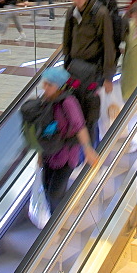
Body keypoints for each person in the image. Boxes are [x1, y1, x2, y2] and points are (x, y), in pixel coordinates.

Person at [21, 66, 98, 213]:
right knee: (46, 187)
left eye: (50, 84)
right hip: (49, 153)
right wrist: (39, 153)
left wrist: (88, 150)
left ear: (59, 86)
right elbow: (41, 130)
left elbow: (79, 126)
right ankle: (55, 217)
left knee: (54, 192)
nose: (45, 87)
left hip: (66, 154)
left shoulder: (68, 102)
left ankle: (58, 218)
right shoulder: (44, 101)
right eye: (45, 83)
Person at [62, 0, 116, 146]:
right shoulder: (72, 12)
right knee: (73, 111)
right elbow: (67, 40)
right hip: (75, 69)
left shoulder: (100, 13)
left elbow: (108, 45)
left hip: (93, 70)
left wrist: (108, 76)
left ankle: (93, 149)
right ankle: (79, 150)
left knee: (90, 113)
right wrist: (66, 65)